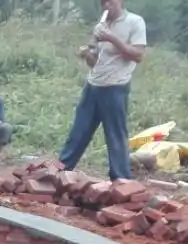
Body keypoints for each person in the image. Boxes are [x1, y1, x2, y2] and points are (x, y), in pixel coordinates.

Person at [58, 0, 147, 180]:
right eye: (103, 2)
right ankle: (61, 170)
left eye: (111, 2)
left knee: (115, 135)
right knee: (79, 131)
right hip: (93, 85)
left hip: (116, 86)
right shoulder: (101, 25)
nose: (107, 6)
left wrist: (112, 38)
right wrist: (87, 54)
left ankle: (120, 179)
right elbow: (94, 61)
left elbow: (137, 55)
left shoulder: (135, 21)